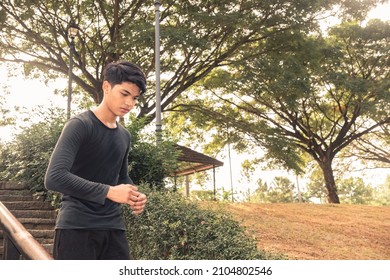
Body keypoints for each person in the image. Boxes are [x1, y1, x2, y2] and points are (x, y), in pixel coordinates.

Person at [44, 61, 147, 260]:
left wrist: (134, 195)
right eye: (124, 94)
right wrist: (109, 191)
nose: (129, 103)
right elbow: (55, 177)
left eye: (135, 98)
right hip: (77, 228)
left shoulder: (124, 136)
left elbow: (122, 177)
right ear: (106, 87)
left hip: (113, 228)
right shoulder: (80, 125)